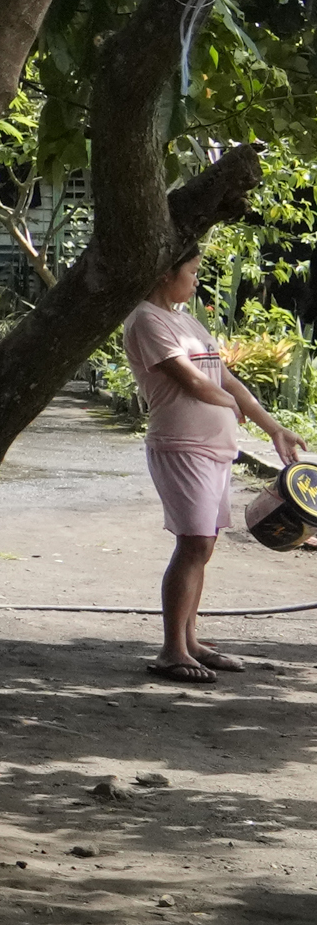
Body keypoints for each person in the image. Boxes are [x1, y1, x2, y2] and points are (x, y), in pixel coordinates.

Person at [125, 249, 300, 683]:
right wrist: (227, 404)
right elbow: (192, 380)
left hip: (214, 449)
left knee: (203, 546)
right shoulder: (146, 319)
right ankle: (172, 651)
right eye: (192, 272)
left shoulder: (187, 321)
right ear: (167, 273)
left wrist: (273, 427)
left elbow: (225, 378)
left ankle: (190, 641)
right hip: (181, 445)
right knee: (194, 543)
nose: (196, 281)